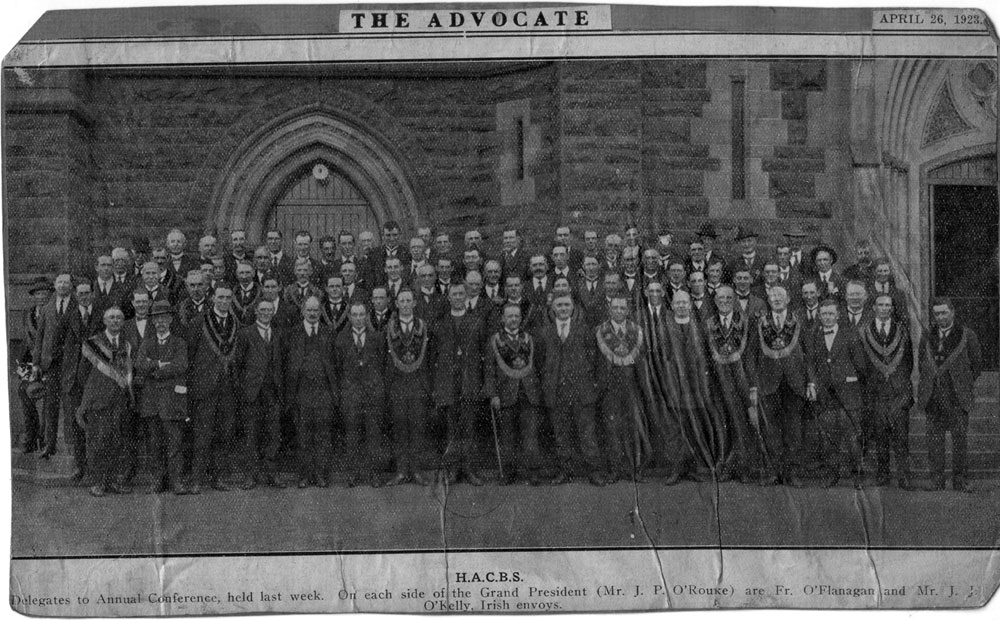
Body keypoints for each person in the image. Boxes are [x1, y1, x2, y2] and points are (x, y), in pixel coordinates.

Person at [538, 293, 606, 486]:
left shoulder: (585, 330)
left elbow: (595, 359)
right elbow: (541, 361)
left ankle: (594, 471)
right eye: (559, 305)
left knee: (587, 434)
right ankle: (564, 471)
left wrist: (593, 385)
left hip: (581, 391)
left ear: (573, 307)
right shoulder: (545, 332)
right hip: (557, 391)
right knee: (561, 434)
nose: (563, 308)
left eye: (567, 305)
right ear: (552, 308)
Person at [916, 297, 983, 492]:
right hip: (933, 397)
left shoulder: (967, 335)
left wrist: (962, 382)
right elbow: (922, 365)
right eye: (937, 313)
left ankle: (960, 480)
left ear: (953, 312)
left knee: (959, 440)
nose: (940, 317)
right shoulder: (927, 335)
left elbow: (976, 365)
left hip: (957, 398)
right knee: (934, 441)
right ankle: (937, 480)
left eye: (944, 312)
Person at [747, 286, 810, 486]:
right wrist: (754, 387)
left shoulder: (798, 322)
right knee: (770, 430)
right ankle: (773, 472)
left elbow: (810, 354)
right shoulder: (759, 323)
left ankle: (793, 473)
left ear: (788, 298)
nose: (776, 299)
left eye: (780, 296)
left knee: (794, 431)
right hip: (767, 384)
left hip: (794, 383)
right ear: (767, 299)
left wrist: (810, 381)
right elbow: (750, 357)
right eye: (772, 296)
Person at [805, 300, 870, 488]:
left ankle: (857, 476)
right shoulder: (814, 335)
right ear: (819, 316)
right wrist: (813, 383)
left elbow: (861, 364)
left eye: (830, 314)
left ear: (838, 315)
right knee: (829, 438)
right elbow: (810, 362)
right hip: (826, 394)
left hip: (848, 395)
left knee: (852, 438)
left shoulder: (850, 334)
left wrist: (852, 380)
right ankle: (832, 475)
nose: (827, 317)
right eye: (824, 314)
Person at [74, 307, 134, 497]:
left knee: (117, 441)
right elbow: (82, 374)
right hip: (97, 399)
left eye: (119, 318)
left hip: (119, 400)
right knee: (97, 441)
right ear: (105, 321)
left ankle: (114, 480)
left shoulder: (127, 344)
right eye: (111, 318)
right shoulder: (92, 344)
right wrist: (92, 394)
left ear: (123, 322)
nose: (115, 321)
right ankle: (98, 482)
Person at [430, 282, 486, 485]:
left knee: (469, 429)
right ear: (448, 297)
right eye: (454, 294)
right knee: (452, 430)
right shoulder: (440, 324)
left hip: (469, 384)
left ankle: (469, 470)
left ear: (466, 296)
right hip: (448, 386)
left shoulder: (476, 322)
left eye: (461, 293)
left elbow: (484, 356)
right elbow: (433, 358)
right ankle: (453, 470)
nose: (458, 297)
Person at [704, 285, 761, 482]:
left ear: (734, 300)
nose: (725, 302)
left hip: (741, 379)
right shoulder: (709, 323)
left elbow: (751, 355)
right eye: (721, 298)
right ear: (715, 301)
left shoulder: (744, 321)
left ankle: (744, 467)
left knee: (742, 423)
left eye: (729, 298)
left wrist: (752, 385)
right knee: (723, 424)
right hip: (718, 381)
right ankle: (726, 465)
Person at [187, 284, 240, 493]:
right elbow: (190, 356)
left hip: (227, 388)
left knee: (224, 434)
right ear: (213, 298)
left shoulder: (236, 323)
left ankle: (219, 477)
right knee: (202, 435)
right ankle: (197, 479)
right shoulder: (198, 322)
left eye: (228, 297)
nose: (224, 301)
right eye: (221, 297)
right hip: (204, 387)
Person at [483, 303, 544, 485]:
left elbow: (537, 367)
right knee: (507, 436)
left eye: (516, 316)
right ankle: (508, 472)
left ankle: (532, 472)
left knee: (530, 436)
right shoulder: (495, 341)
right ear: (503, 319)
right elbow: (489, 370)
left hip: (529, 393)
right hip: (505, 394)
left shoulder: (529, 339)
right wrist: (493, 394)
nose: (513, 319)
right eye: (509, 316)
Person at [134, 301, 189, 494]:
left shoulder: (179, 343)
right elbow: (139, 364)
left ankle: (176, 482)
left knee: (174, 445)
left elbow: (181, 365)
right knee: (154, 445)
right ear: (153, 322)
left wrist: (155, 368)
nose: (161, 322)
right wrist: (161, 363)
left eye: (164, 318)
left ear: (171, 320)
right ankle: (157, 480)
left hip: (172, 401)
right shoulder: (146, 343)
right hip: (151, 403)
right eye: (157, 319)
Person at [859, 293, 914, 489]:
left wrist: (902, 388)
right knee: (880, 436)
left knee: (901, 436)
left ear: (892, 308)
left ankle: (904, 476)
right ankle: (883, 474)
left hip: (898, 393)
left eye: (888, 305)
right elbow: (862, 364)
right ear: (873, 308)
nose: (884, 308)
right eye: (880, 305)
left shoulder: (902, 331)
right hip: (876, 393)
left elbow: (909, 363)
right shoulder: (864, 331)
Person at [284, 296, 338, 488]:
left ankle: (321, 474)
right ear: (303, 311)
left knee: (323, 436)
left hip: (323, 392)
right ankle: (304, 475)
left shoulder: (327, 332)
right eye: (309, 310)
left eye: (316, 310)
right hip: (302, 392)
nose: (313, 313)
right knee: (303, 436)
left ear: (321, 311)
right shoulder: (293, 333)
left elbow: (335, 363)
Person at [334, 302, 388, 487]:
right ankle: (352, 474)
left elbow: (382, 365)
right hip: (351, 395)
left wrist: (376, 387)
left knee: (374, 435)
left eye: (361, 314)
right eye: (354, 315)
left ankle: (375, 474)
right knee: (352, 435)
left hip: (373, 394)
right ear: (349, 317)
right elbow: (338, 368)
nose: (358, 318)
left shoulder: (377, 338)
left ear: (367, 316)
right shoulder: (341, 339)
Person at [233, 298, 285, 489]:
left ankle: (272, 474)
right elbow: (238, 365)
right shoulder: (245, 334)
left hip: (272, 391)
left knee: (273, 435)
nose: (266, 313)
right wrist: (243, 389)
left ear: (273, 312)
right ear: (256, 311)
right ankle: (250, 475)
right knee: (251, 435)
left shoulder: (278, 334)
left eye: (269, 310)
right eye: (262, 310)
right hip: (252, 392)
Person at [595, 296, 646, 483]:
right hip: (610, 386)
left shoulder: (636, 331)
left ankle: (635, 468)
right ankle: (615, 469)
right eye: (615, 307)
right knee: (612, 427)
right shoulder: (601, 331)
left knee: (632, 427)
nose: (618, 311)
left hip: (632, 385)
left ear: (628, 309)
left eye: (622, 308)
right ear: (609, 309)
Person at [385, 288, 433, 486]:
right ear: (396, 304)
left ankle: (416, 471)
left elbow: (428, 358)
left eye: (408, 301)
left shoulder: (422, 326)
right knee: (400, 429)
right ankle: (401, 471)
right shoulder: (390, 327)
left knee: (417, 428)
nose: (405, 304)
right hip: (397, 385)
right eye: (401, 301)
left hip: (417, 384)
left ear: (414, 303)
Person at [59, 281, 102, 482]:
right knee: (76, 424)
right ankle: (80, 466)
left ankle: (95, 469)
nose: (84, 296)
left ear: (93, 294)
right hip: (73, 378)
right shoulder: (68, 316)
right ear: (76, 296)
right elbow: (59, 344)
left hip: (95, 376)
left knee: (95, 423)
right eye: (81, 293)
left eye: (87, 293)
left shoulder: (102, 316)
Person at [33, 273, 76, 459]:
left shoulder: (77, 305)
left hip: (70, 364)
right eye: (60, 282)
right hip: (50, 365)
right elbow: (39, 338)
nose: (63, 285)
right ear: (55, 285)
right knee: (50, 407)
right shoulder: (47, 308)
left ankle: (71, 448)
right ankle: (49, 446)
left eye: (66, 282)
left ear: (71, 286)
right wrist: (36, 363)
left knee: (70, 406)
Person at [17, 277, 52, 453]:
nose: (41, 297)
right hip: (32, 365)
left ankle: (45, 440)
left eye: (45, 293)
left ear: (50, 295)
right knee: (23, 391)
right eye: (38, 293)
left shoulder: (54, 313)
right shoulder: (28, 314)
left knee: (49, 400)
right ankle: (31, 436)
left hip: (51, 365)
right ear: (34, 296)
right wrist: (22, 365)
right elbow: (26, 341)